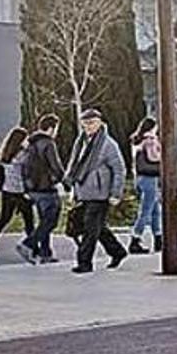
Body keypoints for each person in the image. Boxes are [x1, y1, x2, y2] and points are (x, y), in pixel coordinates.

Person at [65, 108, 128, 273]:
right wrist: (73, 191)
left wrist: (116, 193)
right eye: (85, 123)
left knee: (90, 229)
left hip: (101, 194)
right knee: (97, 228)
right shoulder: (80, 142)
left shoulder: (108, 144)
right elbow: (75, 167)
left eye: (91, 122)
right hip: (83, 192)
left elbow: (119, 169)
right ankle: (117, 251)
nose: (88, 126)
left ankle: (84, 263)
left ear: (100, 122)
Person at [20, 114, 66, 265]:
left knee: (43, 221)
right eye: (56, 128)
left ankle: (45, 253)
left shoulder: (31, 143)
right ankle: (28, 244)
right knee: (51, 221)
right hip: (46, 187)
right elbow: (56, 166)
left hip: (33, 189)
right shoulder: (48, 143)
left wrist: (27, 187)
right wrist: (63, 181)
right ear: (52, 128)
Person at [0, 127, 35, 259]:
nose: (26, 141)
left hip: (7, 191)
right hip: (19, 192)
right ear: (20, 140)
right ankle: (35, 249)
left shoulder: (6, 154)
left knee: (3, 219)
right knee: (29, 221)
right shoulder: (22, 155)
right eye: (25, 139)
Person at [128, 117, 162, 255]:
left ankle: (158, 238)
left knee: (155, 211)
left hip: (140, 177)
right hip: (150, 178)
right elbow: (155, 158)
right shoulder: (150, 139)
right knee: (146, 211)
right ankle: (135, 240)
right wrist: (161, 149)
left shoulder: (137, 140)